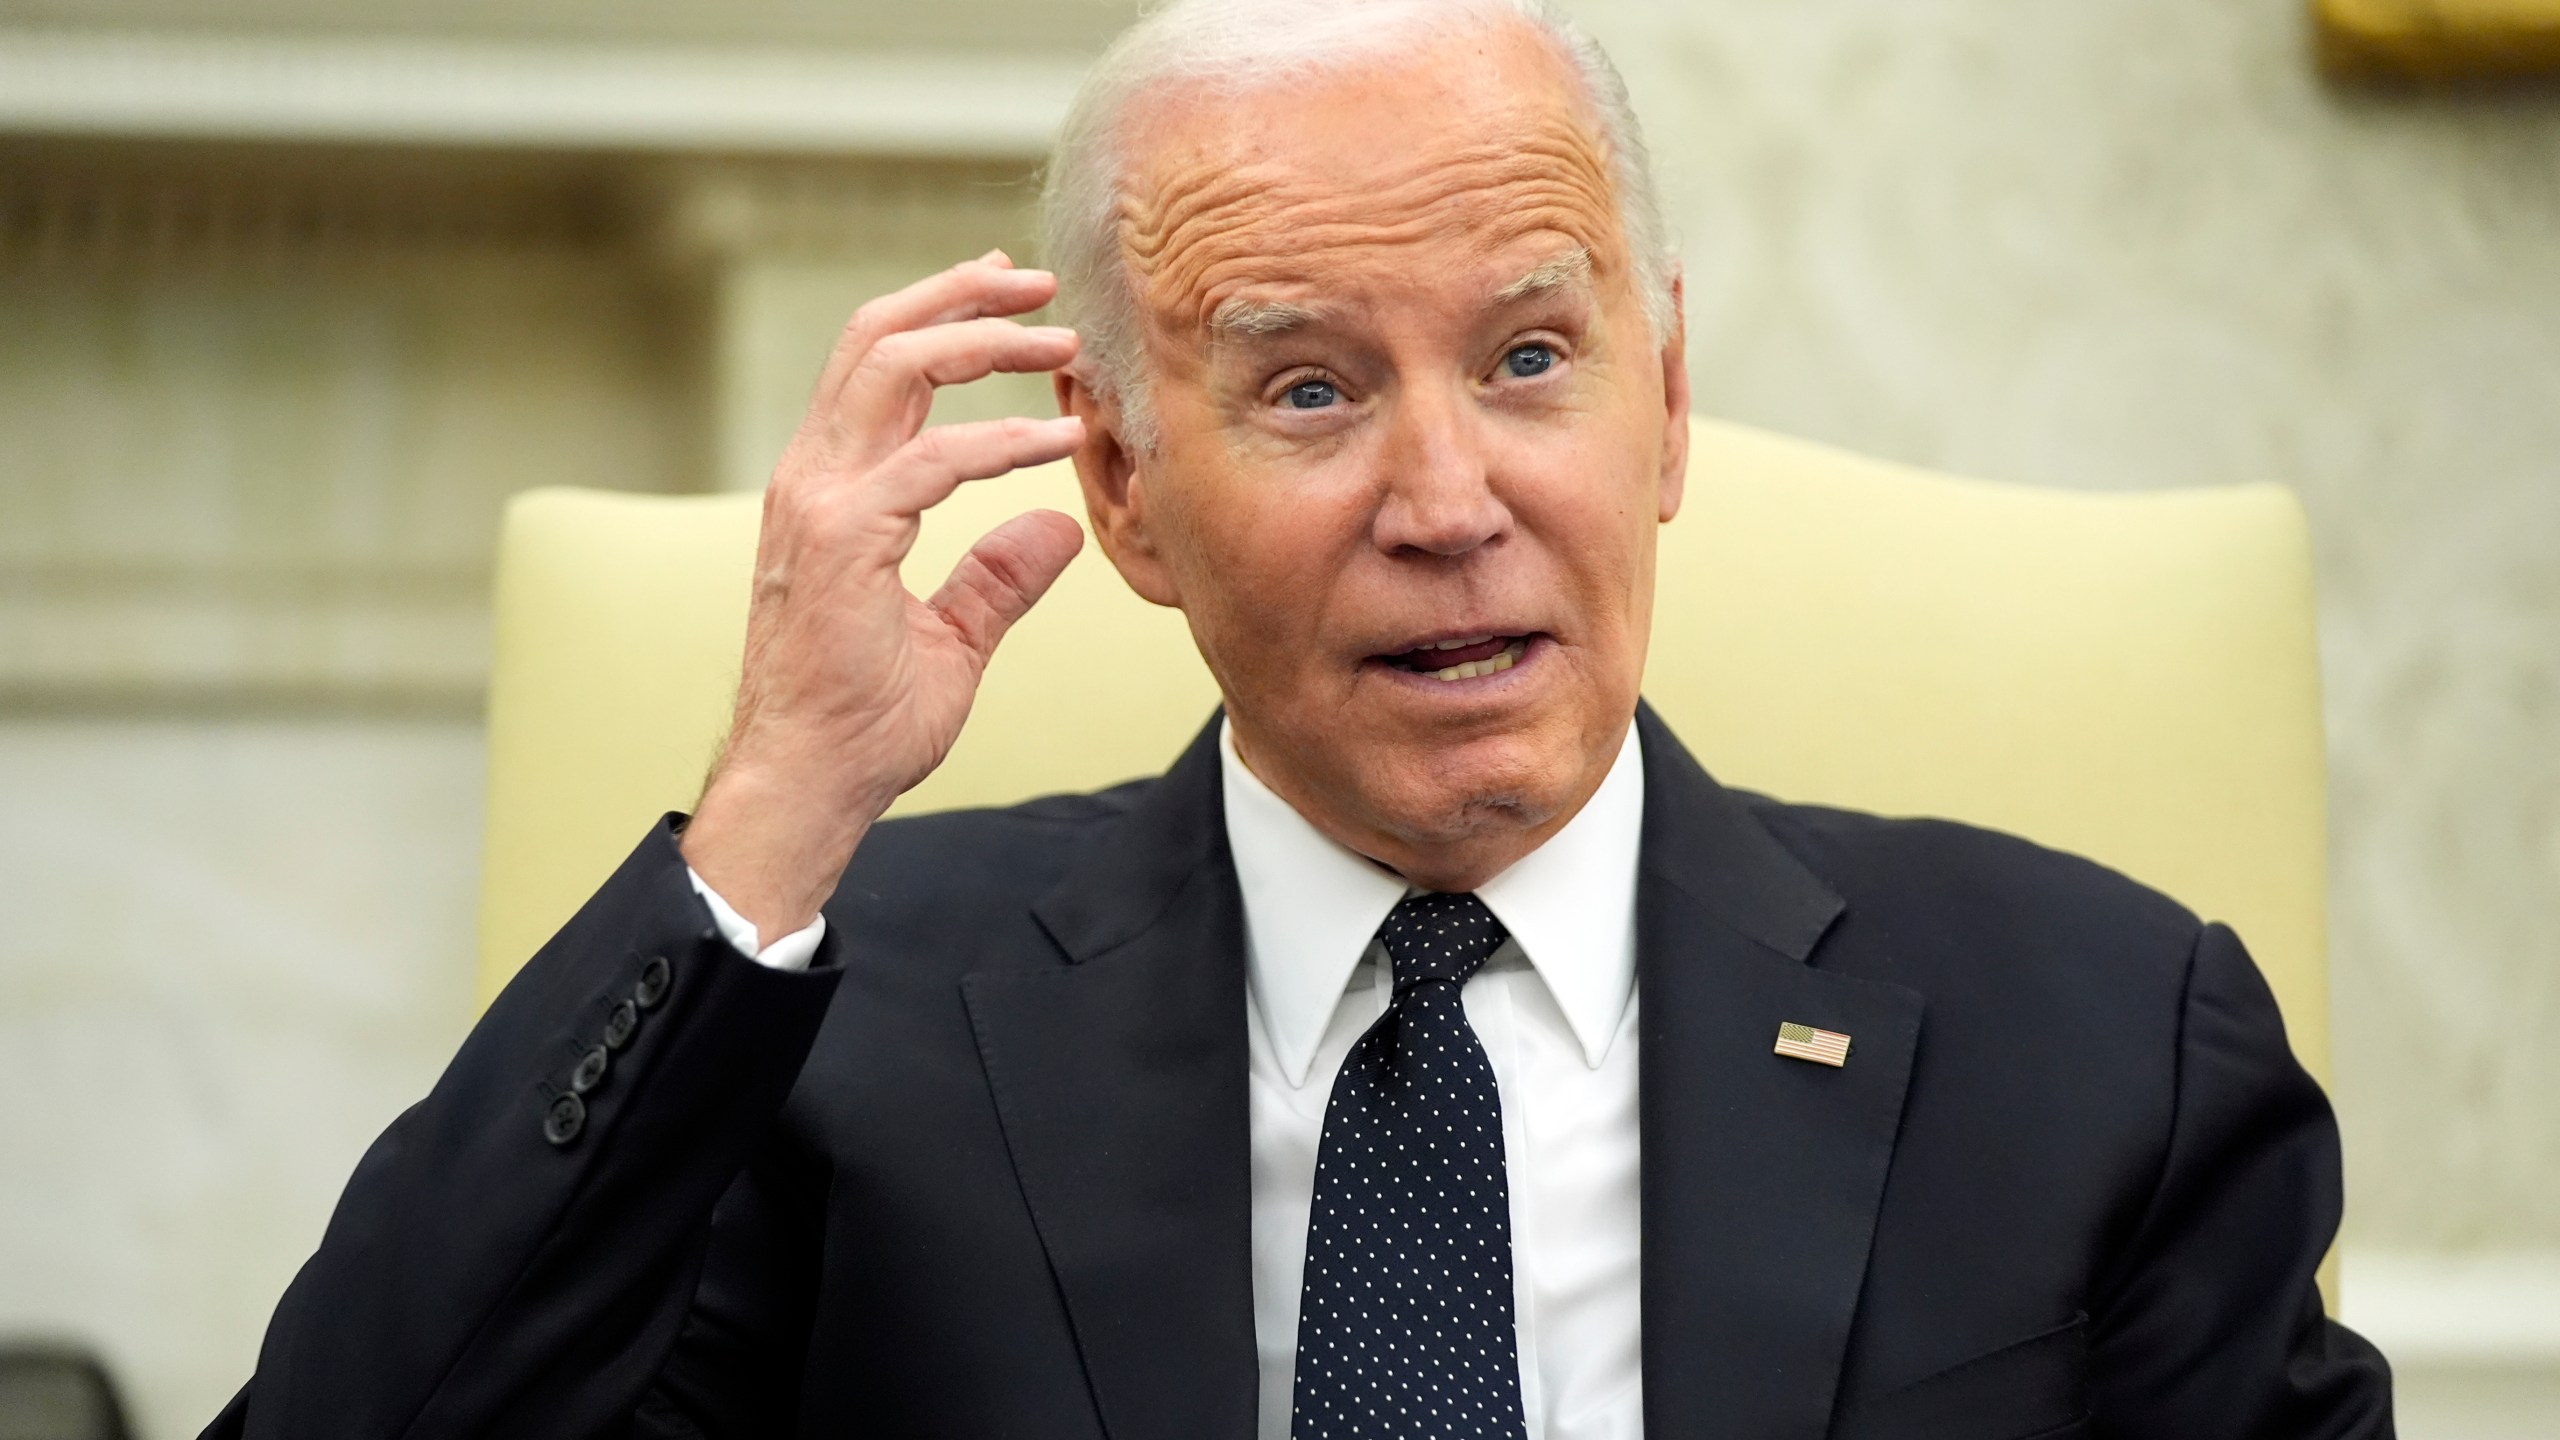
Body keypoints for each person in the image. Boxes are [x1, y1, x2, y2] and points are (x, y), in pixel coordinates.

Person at [206, 2, 2392, 1437]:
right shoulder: (839, 1028)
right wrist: (777, 804)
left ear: (1665, 407)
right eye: (1312, 390)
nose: (1446, 507)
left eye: (1530, 359)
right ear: (1127, 491)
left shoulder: (2100, 1037)